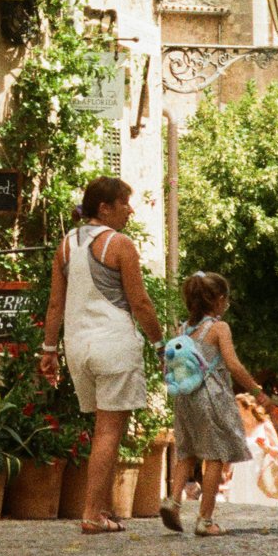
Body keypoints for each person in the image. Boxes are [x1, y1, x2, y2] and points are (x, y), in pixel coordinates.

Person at [37, 176, 164, 535]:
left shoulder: (67, 244)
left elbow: (55, 302)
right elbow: (139, 301)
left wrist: (49, 350)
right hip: (114, 345)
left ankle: (103, 509)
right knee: (110, 431)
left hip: (78, 347)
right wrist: (159, 344)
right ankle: (93, 513)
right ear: (104, 207)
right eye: (125, 202)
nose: (130, 209)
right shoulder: (120, 245)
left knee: (101, 429)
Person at [161, 271, 278, 537]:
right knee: (215, 456)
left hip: (185, 399)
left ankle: (173, 501)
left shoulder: (182, 330)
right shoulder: (218, 328)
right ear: (217, 300)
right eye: (225, 300)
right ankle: (205, 519)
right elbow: (233, 364)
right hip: (210, 397)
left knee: (186, 452)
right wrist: (257, 392)